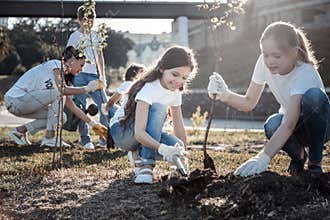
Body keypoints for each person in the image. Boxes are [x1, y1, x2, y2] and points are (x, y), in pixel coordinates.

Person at [208, 21, 329, 177]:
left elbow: (289, 124)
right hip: (293, 126)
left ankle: (315, 162)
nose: (270, 60)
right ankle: (299, 156)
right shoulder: (263, 63)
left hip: (321, 127)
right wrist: (225, 95)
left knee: (314, 97)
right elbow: (248, 102)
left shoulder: (305, 72)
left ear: (294, 53)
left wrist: (263, 157)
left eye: (276, 56)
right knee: (272, 124)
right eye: (265, 54)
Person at [109, 45, 198, 184]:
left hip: (143, 134)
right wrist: (163, 149)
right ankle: (146, 165)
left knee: (177, 145)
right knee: (159, 109)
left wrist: (183, 155)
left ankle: (137, 153)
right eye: (175, 74)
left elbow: (179, 126)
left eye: (184, 77)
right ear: (162, 68)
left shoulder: (175, 92)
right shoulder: (149, 88)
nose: (179, 81)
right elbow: (139, 133)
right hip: (122, 132)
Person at [5, 46, 107, 147]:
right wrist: (87, 88)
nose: (81, 69)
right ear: (73, 59)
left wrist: (94, 124)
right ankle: (50, 138)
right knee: (59, 94)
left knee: (62, 117)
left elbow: (73, 108)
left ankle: (19, 131)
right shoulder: (56, 64)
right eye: (81, 65)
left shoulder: (63, 80)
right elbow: (62, 90)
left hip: (24, 103)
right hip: (15, 100)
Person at [67, 4, 108, 149]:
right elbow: (68, 57)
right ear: (79, 20)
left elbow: (100, 56)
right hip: (79, 75)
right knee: (81, 108)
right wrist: (69, 78)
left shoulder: (96, 35)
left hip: (94, 75)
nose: (89, 23)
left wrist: (102, 76)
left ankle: (104, 138)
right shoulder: (74, 36)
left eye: (92, 19)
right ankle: (86, 140)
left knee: (105, 105)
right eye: (85, 20)